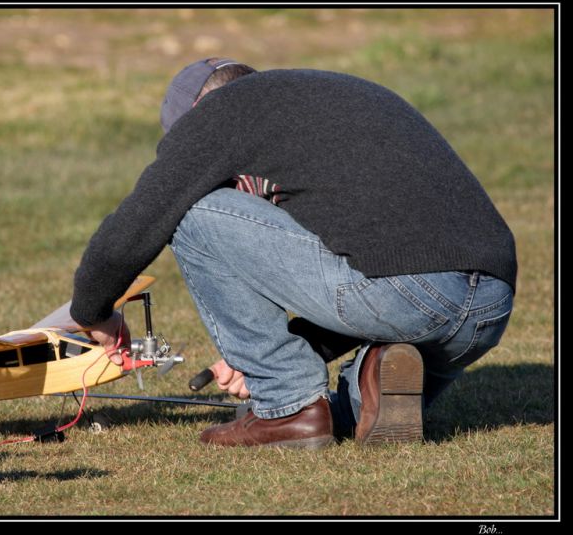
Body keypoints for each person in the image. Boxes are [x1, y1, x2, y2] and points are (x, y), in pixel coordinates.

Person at [71, 57, 516, 448]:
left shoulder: (221, 113)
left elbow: (135, 225)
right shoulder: (329, 102)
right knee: (350, 417)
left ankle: (287, 404)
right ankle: (378, 376)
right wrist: (263, 348)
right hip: (487, 307)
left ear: (193, 119)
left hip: (408, 293)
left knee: (189, 210)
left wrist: (94, 313)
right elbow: (396, 261)